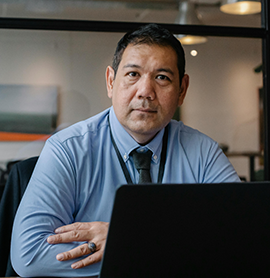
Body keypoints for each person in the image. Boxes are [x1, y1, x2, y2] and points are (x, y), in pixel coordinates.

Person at [11, 23, 240, 277]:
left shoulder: (202, 152)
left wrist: (128, 240)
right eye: (133, 74)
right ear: (111, 81)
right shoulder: (68, 150)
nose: (145, 92)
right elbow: (28, 254)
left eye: (162, 77)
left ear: (182, 90)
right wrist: (172, 246)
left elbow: (243, 236)